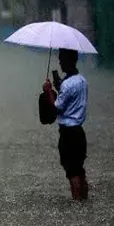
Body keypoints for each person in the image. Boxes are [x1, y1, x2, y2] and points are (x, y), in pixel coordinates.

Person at [43, 48, 89, 201]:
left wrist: (49, 90)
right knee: (79, 168)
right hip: (79, 132)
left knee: (71, 170)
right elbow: (71, 98)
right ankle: (83, 202)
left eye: (62, 59)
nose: (60, 62)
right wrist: (59, 87)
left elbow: (56, 107)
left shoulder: (67, 85)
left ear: (69, 60)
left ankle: (77, 204)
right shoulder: (82, 80)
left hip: (68, 134)